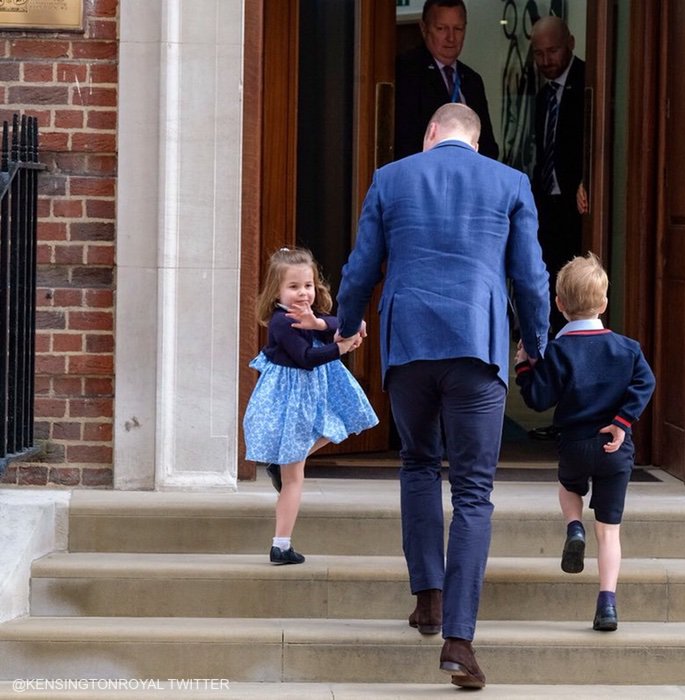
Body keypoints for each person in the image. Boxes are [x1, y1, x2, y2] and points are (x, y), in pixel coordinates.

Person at [336, 103, 548, 689]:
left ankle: (428, 599)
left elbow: (361, 267)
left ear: (430, 133)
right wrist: (536, 344)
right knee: (475, 491)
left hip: (409, 343)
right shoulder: (510, 182)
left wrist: (345, 325)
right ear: (475, 143)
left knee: (418, 464)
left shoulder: (391, 177)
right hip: (478, 344)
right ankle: (459, 641)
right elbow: (530, 277)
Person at [514, 252, 655, 632]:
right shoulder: (627, 349)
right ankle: (606, 603)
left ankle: (573, 526)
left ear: (559, 305)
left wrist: (525, 366)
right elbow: (646, 383)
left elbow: (539, 398)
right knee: (609, 531)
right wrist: (623, 422)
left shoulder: (558, 352)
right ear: (604, 303)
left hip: (574, 446)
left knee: (567, 487)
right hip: (615, 449)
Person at [243, 247, 379, 565]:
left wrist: (320, 325)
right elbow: (306, 359)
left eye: (307, 285)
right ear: (276, 291)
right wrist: (341, 346)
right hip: (292, 401)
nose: (303, 293)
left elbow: (344, 322)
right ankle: (281, 545)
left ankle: (287, 464)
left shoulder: (308, 315)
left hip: (311, 397)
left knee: (342, 424)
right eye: (293, 287)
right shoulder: (281, 322)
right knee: (294, 478)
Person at [531, 16, 587, 337]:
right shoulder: (543, 98)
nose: (546, 61)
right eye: (538, 53)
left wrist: (587, 179)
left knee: (576, 286)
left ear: (571, 44)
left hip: (578, 206)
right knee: (549, 280)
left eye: (552, 51)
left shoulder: (590, 80)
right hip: (547, 206)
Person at [394, 0, 499, 161]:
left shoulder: (472, 80)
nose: (451, 38)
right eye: (441, 29)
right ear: (424, 28)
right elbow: (404, 142)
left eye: (458, 28)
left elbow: (487, 145)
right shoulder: (404, 72)